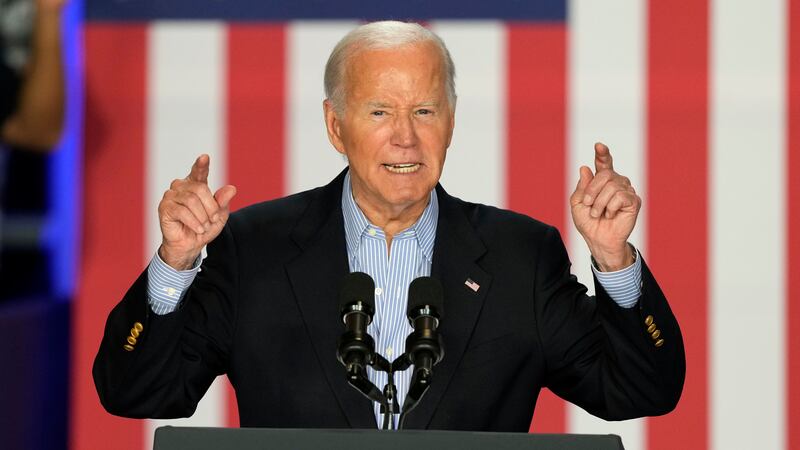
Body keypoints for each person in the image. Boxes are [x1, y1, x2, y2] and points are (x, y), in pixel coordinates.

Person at [94, 21, 684, 431]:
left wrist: (614, 261)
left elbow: (638, 391)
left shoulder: (519, 256)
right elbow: (137, 392)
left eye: (424, 111)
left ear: (450, 123)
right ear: (336, 126)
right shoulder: (255, 248)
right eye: (380, 112)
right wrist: (174, 267)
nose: (405, 136)